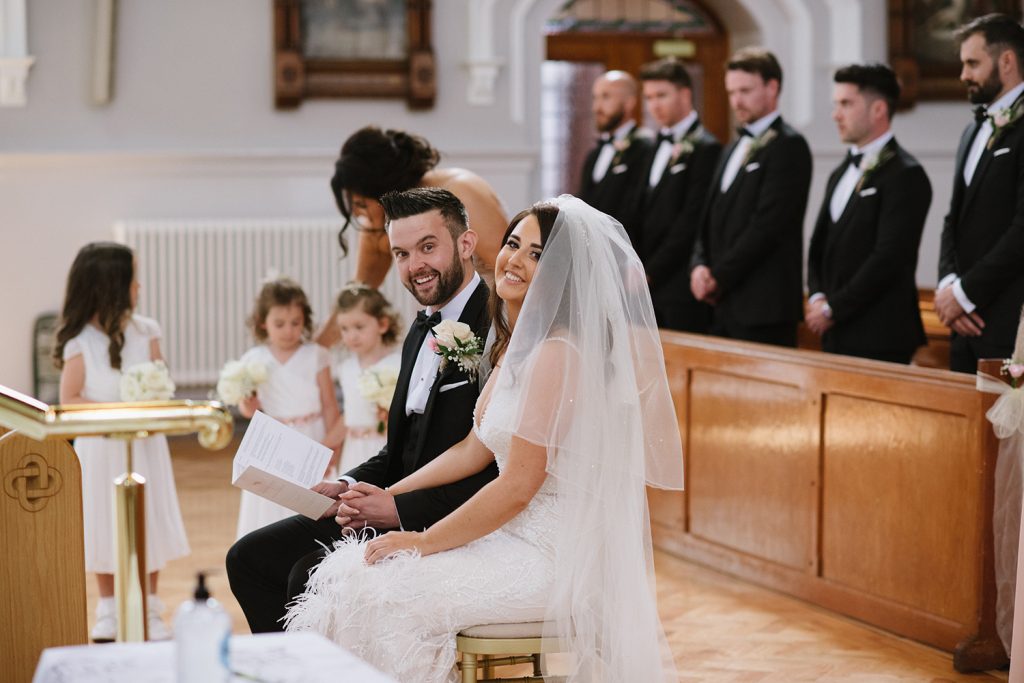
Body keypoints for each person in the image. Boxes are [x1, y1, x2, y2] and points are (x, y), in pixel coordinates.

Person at [285, 196, 684, 683]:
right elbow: (472, 449)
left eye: (537, 253)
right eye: (514, 243)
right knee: (352, 578)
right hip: (510, 539)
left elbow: (518, 486)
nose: (515, 259)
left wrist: (423, 541)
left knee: (385, 595)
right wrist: (390, 495)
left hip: (549, 557)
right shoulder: (516, 344)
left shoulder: (557, 353)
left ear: (564, 274)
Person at [226, 187, 496, 634]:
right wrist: (347, 483)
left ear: (465, 244)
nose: (415, 266)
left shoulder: (494, 329)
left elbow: (490, 467)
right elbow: (398, 450)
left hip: (447, 517)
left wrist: (394, 509)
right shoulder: (420, 327)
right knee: (248, 558)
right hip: (387, 501)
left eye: (428, 247)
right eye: (402, 253)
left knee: (306, 576)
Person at [53, 242, 189, 642]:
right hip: (101, 445)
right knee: (103, 519)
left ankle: (149, 605)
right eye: (133, 278)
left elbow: (161, 379)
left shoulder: (146, 331)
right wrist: (115, 411)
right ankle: (109, 607)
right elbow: (69, 399)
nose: (140, 286)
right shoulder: (80, 341)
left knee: (148, 517)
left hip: (145, 445)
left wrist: (151, 397)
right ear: (111, 286)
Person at [317, 126, 508, 350]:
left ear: (383, 188)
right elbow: (356, 298)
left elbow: (515, 271)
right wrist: (310, 352)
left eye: (361, 204)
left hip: (500, 320)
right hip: (444, 332)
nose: (358, 214)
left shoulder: (461, 191)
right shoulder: (381, 225)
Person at [806, 63, 932, 364]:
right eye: (836, 105)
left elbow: (889, 256)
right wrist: (816, 296)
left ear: (878, 109)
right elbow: (818, 245)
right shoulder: (839, 173)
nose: (836, 114)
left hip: (880, 335)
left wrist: (833, 308)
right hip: (835, 331)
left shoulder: (906, 174)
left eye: (846, 104)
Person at [690, 47, 812, 347]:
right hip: (720, 304)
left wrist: (718, 275)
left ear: (772, 87)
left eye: (745, 90)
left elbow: (768, 225)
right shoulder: (732, 146)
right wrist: (699, 264)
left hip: (764, 305)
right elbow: (708, 216)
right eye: (732, 92)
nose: (736, 101)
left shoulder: (789, 145)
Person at [936, 13, 1024, 373]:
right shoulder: (972, 131)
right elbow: (953, 218)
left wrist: (965, 295)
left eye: (973, 63)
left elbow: (1022, 229)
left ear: (1007, 61)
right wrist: (949, 287)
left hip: (1007, 321)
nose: (963, 75)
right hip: (962, 325)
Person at [235, 277, 340, 539]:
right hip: (274, 441)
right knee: (273, 505)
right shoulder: (254, 359)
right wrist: (248, 406)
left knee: (311, 499)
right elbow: (249, 410)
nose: (288, 330)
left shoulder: (316, 355)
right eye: (279, 324)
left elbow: (329, 405)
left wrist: (331, 449)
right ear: (263, 322)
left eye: (296, 323)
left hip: (312, 436)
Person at [637, 56, 721, 332]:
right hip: (644, 285)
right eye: (649, 97)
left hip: (679, 285)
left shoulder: (706, 147)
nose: (654, 105)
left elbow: (692, 220)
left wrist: (652, 271)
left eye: (661, 95)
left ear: (685, 94)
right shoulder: (652, 146)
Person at [321, 282, 402, 473]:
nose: (352, 336)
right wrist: (325, 447)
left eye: (359, 327)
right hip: (353, 450)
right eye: (345, 329)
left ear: (382, 324)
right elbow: (349, 415)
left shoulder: (398, 365)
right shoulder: (346, 368)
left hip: (383, 449)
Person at [577, 70, 653, 239]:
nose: (596, 107)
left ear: (629, 103)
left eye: (606, 97)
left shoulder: (645, 149)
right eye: (595, 98)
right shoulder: (594, 154)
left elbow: (637, 210)